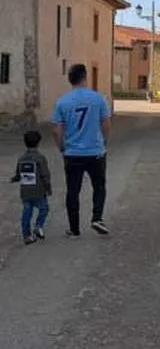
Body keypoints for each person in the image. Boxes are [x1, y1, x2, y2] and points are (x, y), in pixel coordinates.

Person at [51, 64, 111, 237]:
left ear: (70, 80)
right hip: (96, 152)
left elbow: (56, 130)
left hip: (72, 153)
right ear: (85, 77)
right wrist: (103, 143)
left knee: (72, 190)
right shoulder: (98, 99)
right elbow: (106, 125)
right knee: (99, 187)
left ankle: (74, 228)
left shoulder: (62, 101)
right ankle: (97, 218)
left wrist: (62, 146)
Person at [10, 130, 52, 245]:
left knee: (27, 212)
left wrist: (14, 179)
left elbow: (18, 175)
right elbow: (45, 175)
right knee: (44, 209)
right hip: (38, 191)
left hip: (25, 192)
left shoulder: (21, 158)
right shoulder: (40, 158)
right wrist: (48, 188)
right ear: (39, 143)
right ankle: (38, 226)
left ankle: (26, 236)